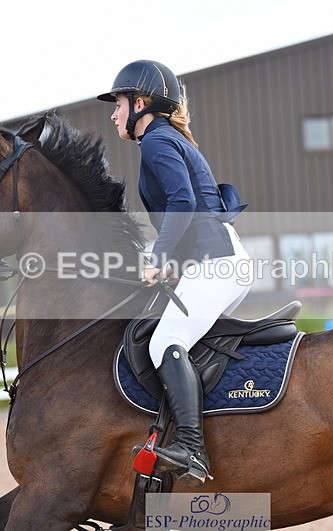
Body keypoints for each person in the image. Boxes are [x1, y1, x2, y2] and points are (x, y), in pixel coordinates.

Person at [98, 60, 251, 486]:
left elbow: (183, 203)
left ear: (140, 103)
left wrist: (158, 256)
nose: (114, 114)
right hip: (214, 260)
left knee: (167, 340)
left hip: (216, 264)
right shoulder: (164, 138)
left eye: (118, 104)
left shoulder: (155, 141)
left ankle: (191, 448)